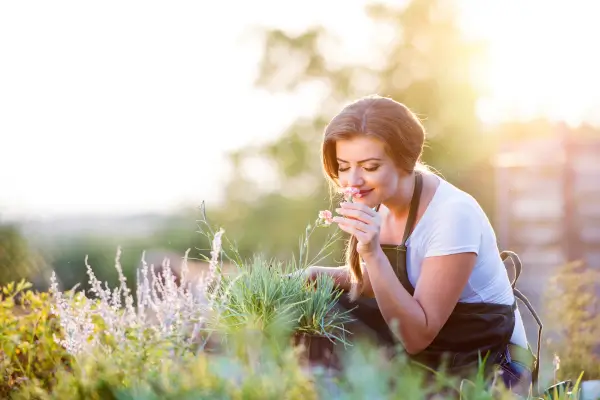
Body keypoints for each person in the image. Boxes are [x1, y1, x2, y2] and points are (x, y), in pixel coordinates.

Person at [302, 95, 541, 396]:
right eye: (343, 166)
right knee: (322, 310)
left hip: (488, 369)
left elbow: (417, 336)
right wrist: (313, 276)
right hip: (436, 355)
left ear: (405, 160)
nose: (353, 180)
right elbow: (388, 282)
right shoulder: (381, 201)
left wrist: (372, 251)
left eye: (370, 166)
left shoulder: (452, 214)